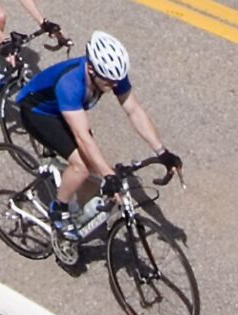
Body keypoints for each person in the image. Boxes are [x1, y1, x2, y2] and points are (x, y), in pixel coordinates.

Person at [12, 31, 177, 238]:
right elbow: (82, 137)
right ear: (91, 69)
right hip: (39, 112)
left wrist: (162, 151)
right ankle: (58, 209)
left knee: (95, 170)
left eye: (117, 80)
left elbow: (134, 110)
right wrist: (108, 175)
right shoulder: (71, 84)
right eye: (109, 82)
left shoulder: (111, 76)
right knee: (81, 167)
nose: (114, 86)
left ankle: (79, 214)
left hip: (67, 110)